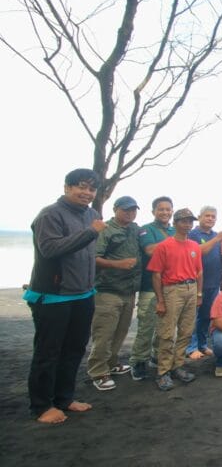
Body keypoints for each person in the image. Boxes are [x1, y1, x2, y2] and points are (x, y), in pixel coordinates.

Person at [25, 168, 105, 424]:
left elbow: (87, 253)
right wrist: (91, 232)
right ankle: (41, 406)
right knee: (48, 352)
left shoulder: (92, 214)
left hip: (83, 294)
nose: (87, 193)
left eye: (91, 188)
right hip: (53, 295)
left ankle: (64, 398)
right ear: (67, 187)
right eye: (81, 186)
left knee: (74, 349)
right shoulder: (50, 214)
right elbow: (49, 249)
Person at [87, 196, 141, 391]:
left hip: (129, 289)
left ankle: (112, 363)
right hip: (107, 289)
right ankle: (98, 372)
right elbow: (93, 257)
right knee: (104, 332)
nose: (130, 213)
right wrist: (117, 264)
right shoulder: (106, 229)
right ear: (115, 209)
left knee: (121, 330)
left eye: (133, 210)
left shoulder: (135, 229)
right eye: (126, 209)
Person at [147, 208, 203, 391]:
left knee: (186, 330)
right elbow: (156, 275)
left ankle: (177, 365)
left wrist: (199, 294)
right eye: (183, 221)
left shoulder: (194, 245)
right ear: (176, 223)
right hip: (172, 289)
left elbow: (199, 271)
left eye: (190, 221)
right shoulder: (164, 245)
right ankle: (163, 372)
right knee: (167, 332)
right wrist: (161, 300)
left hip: (191, 288)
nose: (187, 224)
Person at [129, 196, 174, 381]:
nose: (165, 212)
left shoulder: (174, 230)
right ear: (153, 211)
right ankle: (139, 361)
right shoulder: (146, 229)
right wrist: (175, 243)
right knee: (146, 325)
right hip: (150, 286)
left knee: (166, 326)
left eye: (168, 209)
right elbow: (149, 250)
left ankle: (157, 356)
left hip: (171, 286)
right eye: (161, 209)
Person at [185, 205, 222, 360]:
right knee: (192, 317)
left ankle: (202, 344)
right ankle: (191, 347)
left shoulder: (216, 235)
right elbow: (197, 251)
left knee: (206, 316)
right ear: (200, 217)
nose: (210, 219)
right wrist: (217, 239)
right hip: (196, 283)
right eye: (207, 216)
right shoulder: (193, 234)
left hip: (214, 283)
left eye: (213, 216)